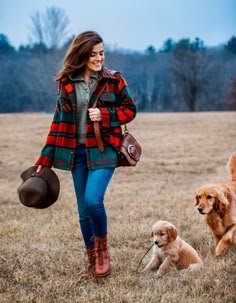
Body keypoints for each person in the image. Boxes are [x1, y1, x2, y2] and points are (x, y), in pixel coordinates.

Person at [35, 31, 137, 278]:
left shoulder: (114, 80)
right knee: (83, 211)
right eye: (93, 55)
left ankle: (103, 254)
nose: (99, 59)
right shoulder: (67, 83)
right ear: (82, 55)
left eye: (101, 53)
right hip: (76, 153)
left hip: (103, 150)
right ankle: (92, 262)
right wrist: (44, 158)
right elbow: (58, 121)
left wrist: (106, 115)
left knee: (93, 200)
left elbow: (130, 110)